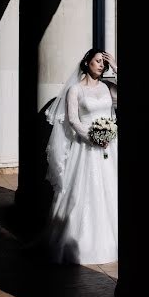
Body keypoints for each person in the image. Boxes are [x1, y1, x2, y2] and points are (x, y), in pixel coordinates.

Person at [44, 48, 119, 265]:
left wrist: (115, 66)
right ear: (86, 62)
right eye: (97, 61)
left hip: (109, 147)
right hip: (86, 147)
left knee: (111, 190)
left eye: (103, 63)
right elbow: (74, 120)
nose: (101, 65)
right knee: (84, 192)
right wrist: (93, 137)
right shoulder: (75, 90)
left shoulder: (107, 87)